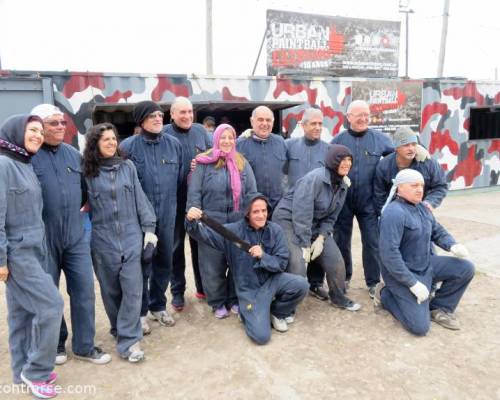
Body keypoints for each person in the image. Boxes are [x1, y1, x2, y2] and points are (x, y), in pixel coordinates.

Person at [31, 104, 111, 366]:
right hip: (44, 238)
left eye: (62, 122)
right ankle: (55, 344)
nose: (60, 127)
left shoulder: (71, 154)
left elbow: (84, 191)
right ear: (40, 126)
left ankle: (85, 346)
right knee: (49, 295)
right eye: (53, 123)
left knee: (84, 290)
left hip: (75, 235)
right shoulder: (29, 157)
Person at [186, 194, 309, 344]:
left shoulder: (275, 230)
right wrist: (190, 220)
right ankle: (247, 312)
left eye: (264, 211)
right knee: (261, 337)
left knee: (301, 285)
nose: (261, 215)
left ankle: (277, 312)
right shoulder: (232, 232)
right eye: (255, 212)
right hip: (250, 291)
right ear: (247, 214)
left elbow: (281, 263)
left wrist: (263, 256)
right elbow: (205, 235)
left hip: (272, 281)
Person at [0, 114, 64, 398]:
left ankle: (20, 372)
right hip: (18, 253)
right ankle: (35, 371)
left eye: (40, 131)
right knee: (52, 305)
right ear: (16, 132)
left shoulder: (24, 163)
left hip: (35, 250)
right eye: (32, 130)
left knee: (21, 314)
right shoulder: (3, 165)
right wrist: (1, 260)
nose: (38, 135)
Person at [83, 123, 157, 362]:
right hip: (102, 239)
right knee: (111, 290)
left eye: (114, 139)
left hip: (131, 236)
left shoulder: (128, 167)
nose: (111, 143)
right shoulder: (86, 172)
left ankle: (129, 341)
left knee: (133, 289)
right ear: (95, 144)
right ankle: (119, 328)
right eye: (105, 140)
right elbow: (79, 208)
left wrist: (149, 230)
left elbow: (140, 199)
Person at [375, 169, 475, 335]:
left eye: (421, 185)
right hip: (402, 274)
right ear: (400, 188)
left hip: (425, 264)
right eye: (414, 185)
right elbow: (389, 255)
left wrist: (453, 245)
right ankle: (385, 294)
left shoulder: (421, 208)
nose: (420, 189)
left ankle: (439, 308)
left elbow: (437, 230)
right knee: (419, 327)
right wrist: (412, 283)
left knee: (465, 268)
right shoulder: (394, 213)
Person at [273, 145, 361, 311]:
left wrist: (321, 238)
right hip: (288, 220)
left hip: (314, 223)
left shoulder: (343, 184)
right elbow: (301, 213)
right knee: (297, 264)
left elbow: (332, 216)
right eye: (343, 159)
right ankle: (285, 307)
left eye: (350, 160)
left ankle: (338, 297)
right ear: (333, 161)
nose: (347, 163)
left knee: (336, 261)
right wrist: (305, 244)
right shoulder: (315, 179)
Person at [120, 101, 183, 333]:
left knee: (165, 261)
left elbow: (179, 179)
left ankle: (158, 305)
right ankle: (141, 312)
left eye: (160, 115)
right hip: (138, 220)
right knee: (141, 266)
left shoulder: (174, 145)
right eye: (152, 116)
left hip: (167, 216)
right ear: (141, 120)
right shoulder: (127, 147)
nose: (158, 119)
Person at [187, 124, 257, 318]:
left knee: (238, 264)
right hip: (211, 222)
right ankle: (217, 301)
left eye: (230, 138)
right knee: (212, 265)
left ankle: (235, 298)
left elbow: (252, 192)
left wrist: (251, 217)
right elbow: (195, 193)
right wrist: (195, 215)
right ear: (216, 139)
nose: (227, 141)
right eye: (223, 138)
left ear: (235, 140)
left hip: (237, 223)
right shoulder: (204, 162)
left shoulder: (242, 162)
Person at [331, 100, 395, 296]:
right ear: (348, 117)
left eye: (366, 115)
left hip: (369, 201)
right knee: (341, 240)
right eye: (358, 115)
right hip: (343, 201)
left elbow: (398, 158)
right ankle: (345, 277)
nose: (363, 118)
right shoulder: (337, 141)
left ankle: (373, 282)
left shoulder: (381, 140)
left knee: (372, 242)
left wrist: (418, 149)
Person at [163, 96, 211, 310]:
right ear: (172, 114)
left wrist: (203, 162)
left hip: (197, 201)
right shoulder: (164, 134)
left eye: (190, 111)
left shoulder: (201, 131)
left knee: (199, 246)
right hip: (173, 202)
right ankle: (178, 292)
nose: (187, 116)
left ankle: (203, 287)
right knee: (175, 249)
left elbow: (214, 155)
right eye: (182, 112)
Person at [284, 108, 331, 301]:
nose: (317, 127)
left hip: (318, 209)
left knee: (316, 247)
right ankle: (293, 286)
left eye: (320, 123)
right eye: (313, 123)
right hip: (293, 208)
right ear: (302, 125)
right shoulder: (288, 145)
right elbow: (271, 152)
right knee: (294, 250)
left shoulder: (328, 149)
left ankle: (316, 284)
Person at [373, 126, 448, 216]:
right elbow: (379, 195)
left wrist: (430, 202)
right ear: (396, 148)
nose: (411, 149)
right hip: (395, 214)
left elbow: (441, 186)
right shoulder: (384, 166)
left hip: (422, 212)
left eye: (414, 144)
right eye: (406, 145)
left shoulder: (428, 162)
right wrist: (384, 215)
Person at [237, 105, 287, 210]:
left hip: (278, 207)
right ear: (252, 121)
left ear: (273, 122)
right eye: (260, 120)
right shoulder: (240, 144)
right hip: (252, 207)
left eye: (268, 120)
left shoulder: (281, 142)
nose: (265, 123)